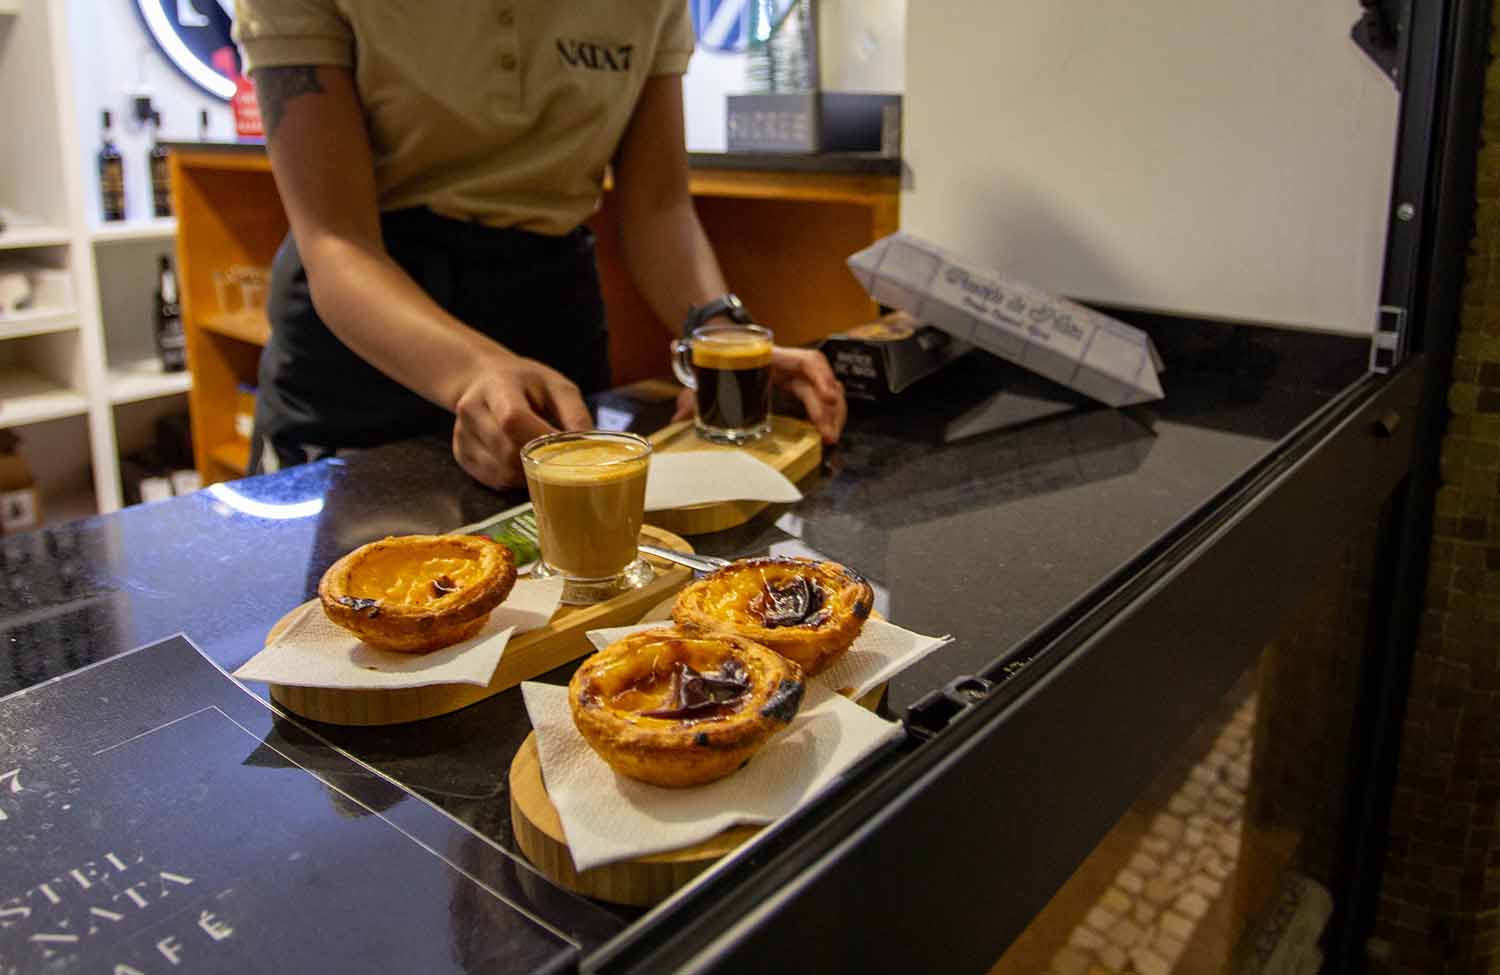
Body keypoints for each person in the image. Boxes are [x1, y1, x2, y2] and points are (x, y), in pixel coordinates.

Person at [232, 2, 846, 488]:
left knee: (575, 603)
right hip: (370, 336)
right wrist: (474, 369)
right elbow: (337, 242)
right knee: (359, 623)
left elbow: (658, 208)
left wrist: (720, 331)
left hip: (550, 317)